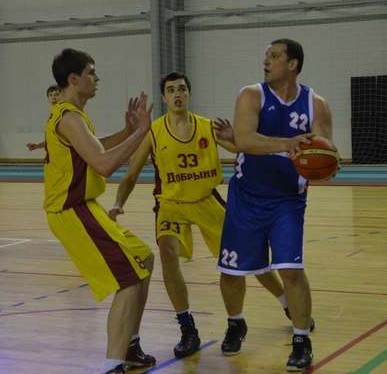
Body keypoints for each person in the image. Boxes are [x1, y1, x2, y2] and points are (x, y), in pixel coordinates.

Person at [108, 71, 295, 359]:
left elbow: (245, 148)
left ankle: (287, 304)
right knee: (167, 250)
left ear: (189, 94)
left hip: (207, 200)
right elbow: (130, 176)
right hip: (171, 204)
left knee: (249, 261)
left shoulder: (208, 127)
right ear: (164, 97)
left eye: (182, 89)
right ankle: (187, 328)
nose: (177, 94)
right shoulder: (154, 132)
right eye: (171, 90)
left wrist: (267, 146)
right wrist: (118, 203)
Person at [217, 38, 334, 371]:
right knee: (232, 272)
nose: (266, 61)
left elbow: (325, 148)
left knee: (292, 271)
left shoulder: (316, 104)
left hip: (288, 201)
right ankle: (236, 322)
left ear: (292, 64)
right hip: (246, 198)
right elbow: (244, 140)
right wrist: (288, 143)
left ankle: (301, 340)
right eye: (266, 56)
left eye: (274, 56)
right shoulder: (251, 95)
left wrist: (326, 165)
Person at [44, 48, 156, 374]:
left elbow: (95, 148)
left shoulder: (73, 116)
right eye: (91, 72)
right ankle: (113, 365)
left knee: (144, 258)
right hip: (71, 210)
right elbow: (104, 164)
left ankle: (129, 344)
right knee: (129, 279)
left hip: (86, 206)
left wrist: (127, 131)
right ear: (73, 79)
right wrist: (140, 133)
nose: (97, 78)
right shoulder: (69, 117)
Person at [27, 84, 61, 151]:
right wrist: (37, 146)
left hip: (62, 156)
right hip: (52, 155)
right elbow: (51, 140)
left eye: (56, 94)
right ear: (48, 98)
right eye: (50, 95)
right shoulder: (52, 115)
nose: (53, 97)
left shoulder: (65, 114)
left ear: (63, 96)